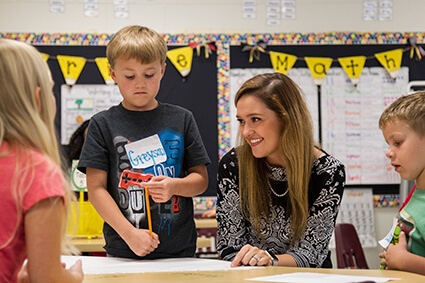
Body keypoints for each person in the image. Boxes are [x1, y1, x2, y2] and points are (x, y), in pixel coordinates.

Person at [78, 25, 211, 259]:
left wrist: (174, 187)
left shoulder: (182, 119)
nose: (140, 84)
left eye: (149, 74)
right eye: (130, 76)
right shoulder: (102, 124)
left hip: (180, 251)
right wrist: (129, 234)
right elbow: (96, 189)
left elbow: (201, 181)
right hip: (124, 248)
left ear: (162, 71)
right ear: (113, 74)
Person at [216, 73, 346, 268]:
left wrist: (270, 260)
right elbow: (229, 246)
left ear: (286, 119)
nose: (245, 132)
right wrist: (254, 262)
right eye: (241, 121)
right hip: (250, 276)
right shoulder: (233, 165)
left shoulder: (328, 172)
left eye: (255, 119)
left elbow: (311, 253)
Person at [0, 39, 83, 282]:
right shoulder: (36, 172)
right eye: (50, 90)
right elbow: (46, 279)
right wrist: (73, 277)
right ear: (38, 99)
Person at [378, 91, 425, 275]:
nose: (389, 152)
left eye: (397, 142)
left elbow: (403, 260)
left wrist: (403, 260)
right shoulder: (416, 193)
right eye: (388, 144)